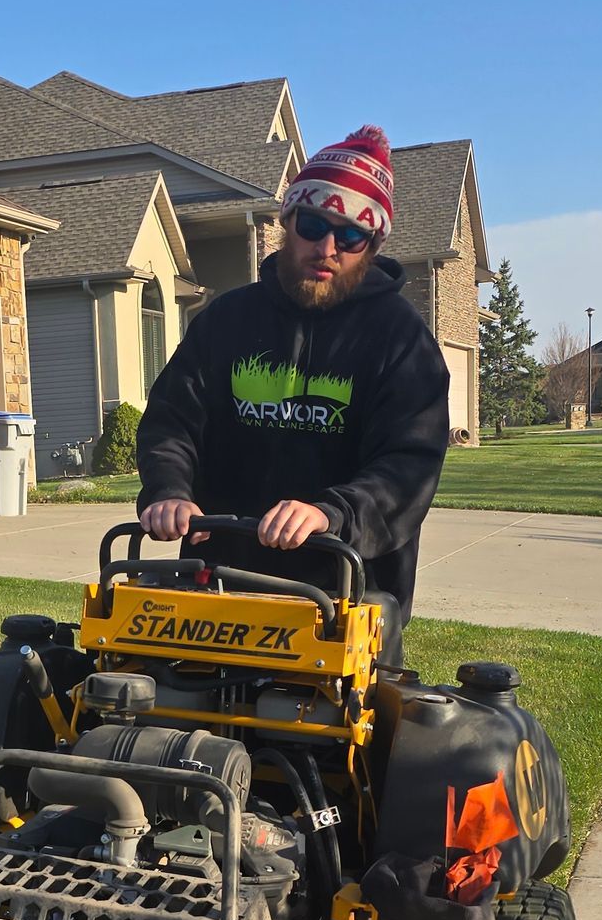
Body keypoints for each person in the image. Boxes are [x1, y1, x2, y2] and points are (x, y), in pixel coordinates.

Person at [133, 125, 451, 631]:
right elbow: (172, 420)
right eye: (312, 224)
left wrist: (331, 513)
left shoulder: (402, 339)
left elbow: (408, 465)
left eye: (350, 234)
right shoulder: (226, 319)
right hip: (215, 584)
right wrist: (170, 490)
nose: (327, 247)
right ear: (287, 222)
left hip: (342, 593)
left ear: (372, 243)